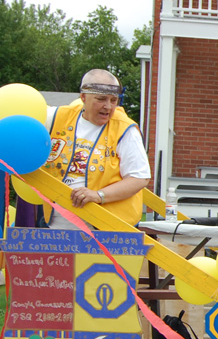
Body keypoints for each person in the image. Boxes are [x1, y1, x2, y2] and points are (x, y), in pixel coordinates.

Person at [42, 69, 151, 229]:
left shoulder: (125, 129)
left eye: (114, 100)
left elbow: (139, 177)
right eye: (101, 99)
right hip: (54, 225)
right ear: (83, 97)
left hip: (104, 229)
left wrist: (98, 196)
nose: (108, 106)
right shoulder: (56, 116)